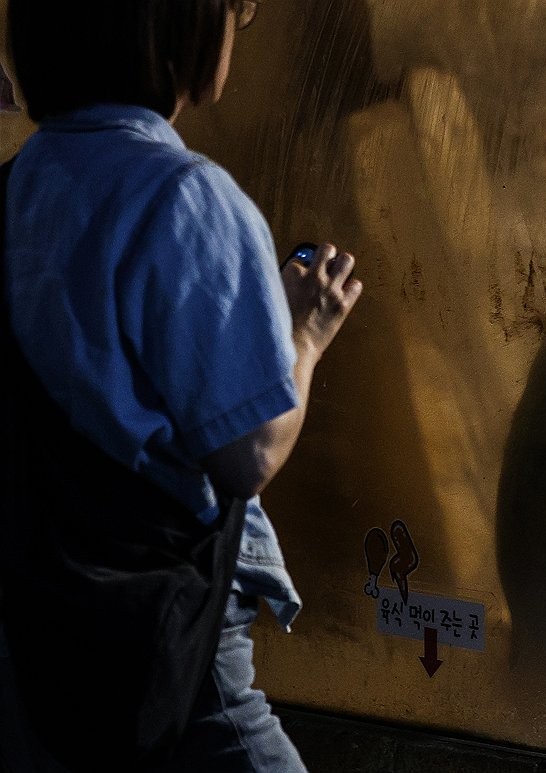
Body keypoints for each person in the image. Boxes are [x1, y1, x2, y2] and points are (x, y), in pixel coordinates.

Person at [0, 0, 361, 769]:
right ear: (176, 31)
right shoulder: (188, 198)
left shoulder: (18, 185)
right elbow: (248, 452)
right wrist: (304, 335)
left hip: (38, 615)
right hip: (170, 637)